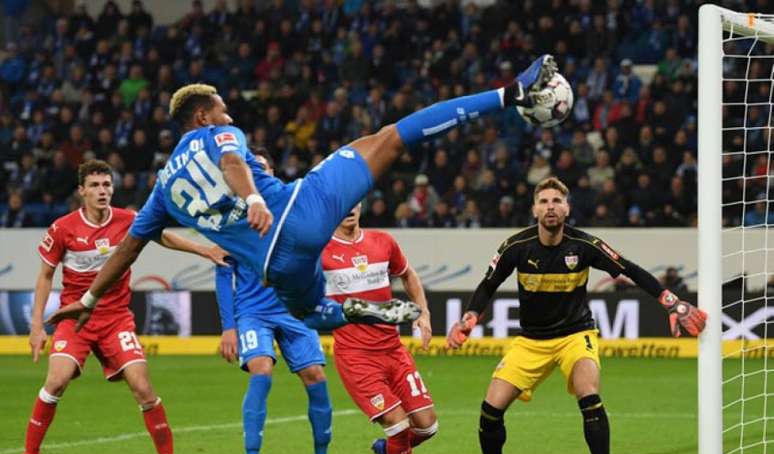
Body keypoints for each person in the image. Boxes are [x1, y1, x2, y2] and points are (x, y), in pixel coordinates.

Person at [46, 55, 559, 334]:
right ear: (202, 116)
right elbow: (230, 163)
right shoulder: (215, 134)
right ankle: (510, 94)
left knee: (310, 315)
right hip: (297, 210)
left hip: (279, 268)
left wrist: (88, 298)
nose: (230, 115)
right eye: (223, 109)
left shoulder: (161, 192)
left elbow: (129, 248)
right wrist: (252, 199)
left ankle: (358, 311)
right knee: (391, 136)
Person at [447, 177, 707, 454]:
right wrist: (470, 317)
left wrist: (670, 300)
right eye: (544, 201)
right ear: (534, 209)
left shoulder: (584, 245)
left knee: (589, 395)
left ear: (567, 208)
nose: (550, 207)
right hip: (531, 340)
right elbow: (487, 285)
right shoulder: (516, 247)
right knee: (490, 410)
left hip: (575, 334)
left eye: (557, 201)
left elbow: (629, 268)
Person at [10, 160, 228, 454]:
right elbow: (44, 276)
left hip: (115, 320)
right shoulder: (63, 228)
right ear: (81, 191)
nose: (103, 191)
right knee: (56, 381)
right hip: (77, 319)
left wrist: (204, 249)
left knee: (143, 387)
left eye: (107, 185)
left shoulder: (128, 220)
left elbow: (163, 237)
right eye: (95, 186)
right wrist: (37, 326)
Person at [214, 150, 335, 454]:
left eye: (261, 169)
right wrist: (228, 326)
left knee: (315, 376)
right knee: (262, 371)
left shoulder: (290, 209)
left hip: (293, 310)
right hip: (254, 313)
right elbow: (224, 274)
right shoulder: (231, 220)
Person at [321, 204, 436, 454]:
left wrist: (423, 313)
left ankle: (387, 451)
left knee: (427, 427)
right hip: (356, 357)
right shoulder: (319, 251)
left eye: (354, 200)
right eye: (342, 202)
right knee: (398, 425)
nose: (348, 208)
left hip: (394, 350)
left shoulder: (383, 242)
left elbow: (408, 275)